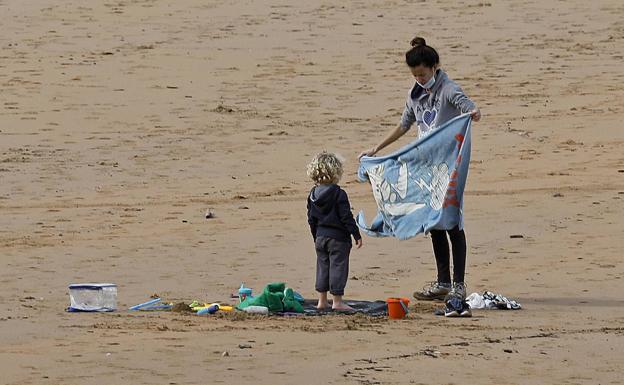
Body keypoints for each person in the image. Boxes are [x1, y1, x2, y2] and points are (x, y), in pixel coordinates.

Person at [359, 37, 481, 303]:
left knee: (451, 221)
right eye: (415, 75)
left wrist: (473, 112)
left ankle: (458, 285)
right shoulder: (414, 94)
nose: (419, 79)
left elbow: (466, 106)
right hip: (427, 167)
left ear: (435, 67)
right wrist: (376, 149)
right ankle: (442, 283)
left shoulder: (448, 89)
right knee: (433, 220)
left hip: (449, 167)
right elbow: (404, 125)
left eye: (423, 74)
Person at [307, 151, 363, 310]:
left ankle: (322, 301)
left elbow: (311, 218)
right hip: (338, 238)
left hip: (320, 237)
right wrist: (356, 234)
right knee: (338, 266)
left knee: (322, 266)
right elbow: (346, 216)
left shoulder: (312, 195)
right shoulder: (339, 193)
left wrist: (315, 236)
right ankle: (337, 302)